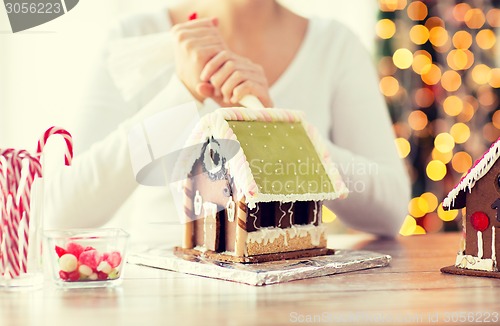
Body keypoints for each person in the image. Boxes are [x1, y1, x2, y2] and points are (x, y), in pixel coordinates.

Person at [44, 0, 410, 242]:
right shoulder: (133, 40)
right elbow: (64, 212)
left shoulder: (335, 46)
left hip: (292, 299)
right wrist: (182, 94)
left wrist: (279, 131)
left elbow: (389, 211)